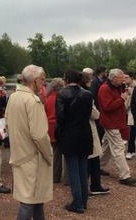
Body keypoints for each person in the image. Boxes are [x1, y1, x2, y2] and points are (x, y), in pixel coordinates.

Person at [6, 65, 52, 220]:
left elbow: (8, 122)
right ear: (36, 80)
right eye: (43, 80)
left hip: (19, 154)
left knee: (36, 199)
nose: (44, 83)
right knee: (29, 201)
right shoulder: (33, 101)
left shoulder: (13, 96)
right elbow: (39, 135)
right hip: (33, 157)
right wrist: (49, 155)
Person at [56, 70, 93, 214]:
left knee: (73, 171)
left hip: (70, 135)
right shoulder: (88, 94)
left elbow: (60, 117)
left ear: (66, 79)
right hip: (85, 133)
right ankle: (83, 201)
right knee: (83, 169)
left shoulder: (62, 94)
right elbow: (88, 113)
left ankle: (77, 203)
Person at [99, 69, 136, 185]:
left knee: (106, 147)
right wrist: (122, 98)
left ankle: (98, 166)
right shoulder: (104, 89)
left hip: (116, 122)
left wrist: (124, 94)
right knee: (118, 148)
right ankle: (124, 176)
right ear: (113, 78)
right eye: (121, 77)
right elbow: (107, 107)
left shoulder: (117, 87)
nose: (123, 79)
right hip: (111, 123)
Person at [80, 73, 110, 196]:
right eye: (89, 80)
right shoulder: (86, 95)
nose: (91, 82)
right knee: (91, 159)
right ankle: (92, 186)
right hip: (88, 128)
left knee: (89, 159)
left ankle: (91, 186)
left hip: (79, 130)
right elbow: (95, 114)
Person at [44, 78, 65, 183]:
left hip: (49, 126)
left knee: (54, 152)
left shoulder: (47, 98)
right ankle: (59, 177)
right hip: (58, 126)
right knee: (60, 153)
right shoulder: (60, 98)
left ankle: (54, 175)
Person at [124, 71, 136, 160]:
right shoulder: (126, 86)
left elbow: (130, 102)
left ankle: (130, 151)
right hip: (128, 112)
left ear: (131, 77)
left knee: (133, 132)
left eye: (126, 77)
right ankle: (131, 151)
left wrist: (128, 95)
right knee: (131, 132)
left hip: (134, 113)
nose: (124, 79)